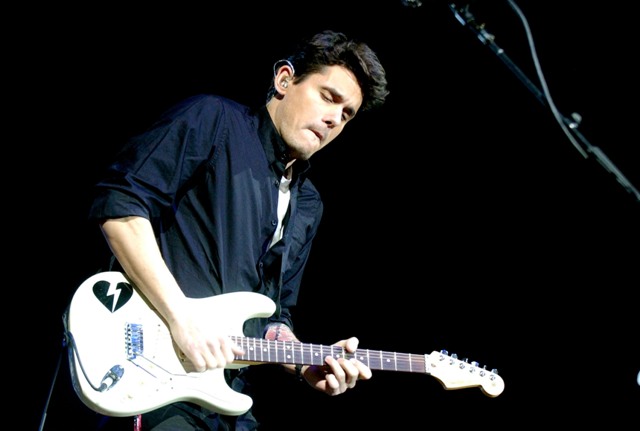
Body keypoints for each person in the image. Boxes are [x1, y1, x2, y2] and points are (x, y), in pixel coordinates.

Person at [86, 29, 389, 430]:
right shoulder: (215, 121)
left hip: (223, 398)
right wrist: (181, 318)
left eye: (347, 115)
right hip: (152, 373)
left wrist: (306, 362)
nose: (334, 118)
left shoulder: (308, 204)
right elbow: (121, 205)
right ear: (285, 80)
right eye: (328, 97)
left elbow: (274, 315)